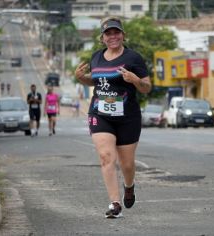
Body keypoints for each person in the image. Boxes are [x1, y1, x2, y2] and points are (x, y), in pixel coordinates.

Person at [74, 16, 152, 218]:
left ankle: (129, 186)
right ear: (102, 38)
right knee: (106, 157)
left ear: (123, 35)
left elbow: (146, 87)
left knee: (126, 164)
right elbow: (98, 81)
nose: (113, 36)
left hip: (128, 117)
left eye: (116, 32)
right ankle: (115, 203)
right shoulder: (96, 57)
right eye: (108, 33)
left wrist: (134, 80)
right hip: (101, 114)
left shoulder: (134, 58)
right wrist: (82, 78)